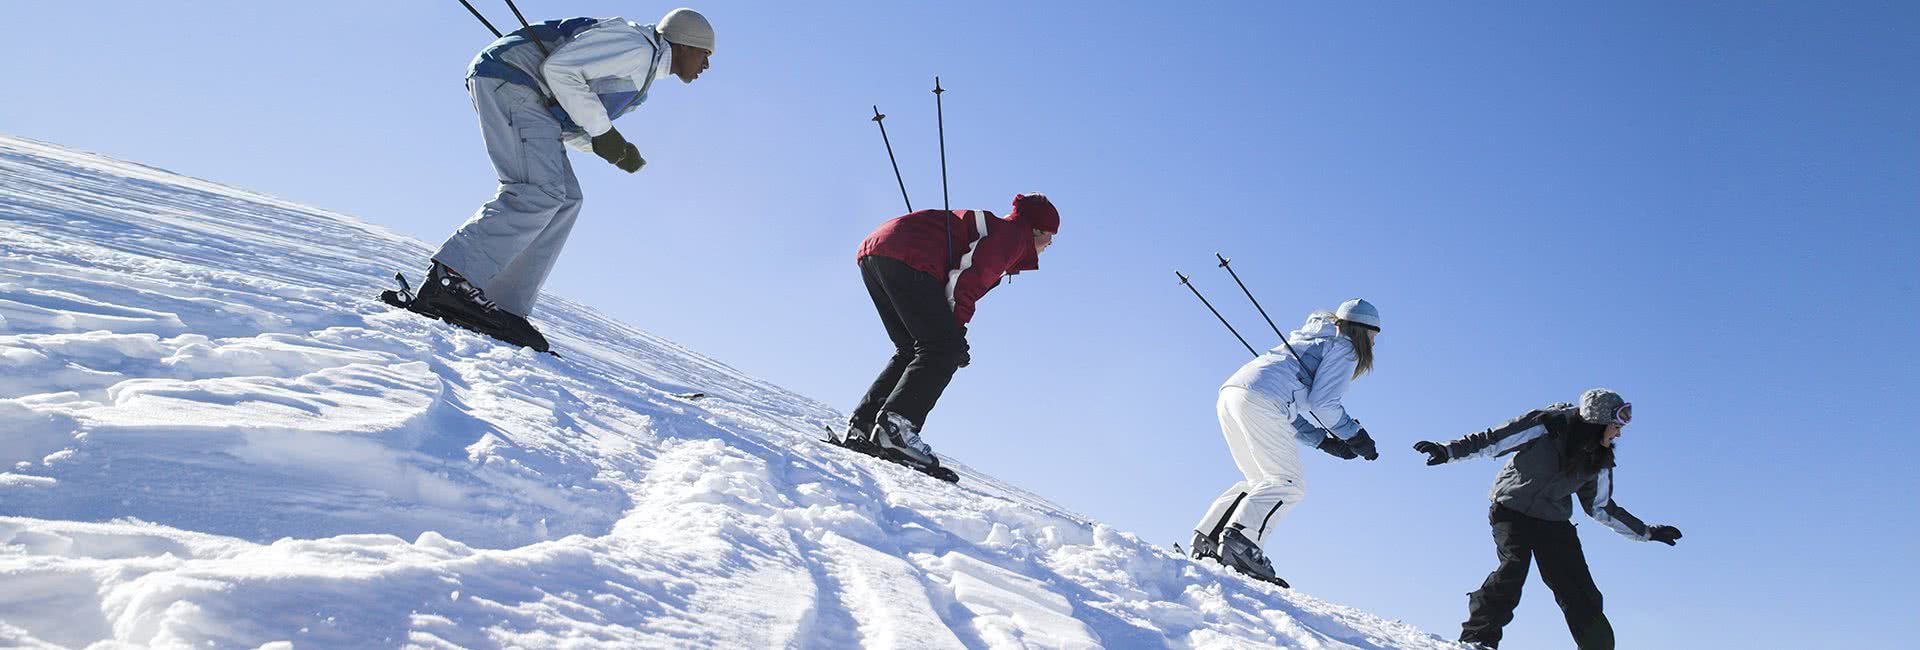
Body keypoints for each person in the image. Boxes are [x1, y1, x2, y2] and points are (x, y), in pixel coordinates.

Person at [397, 9, 716, 352]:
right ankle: (452, 278)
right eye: (705, 54)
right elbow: (560, 70)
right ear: (685, 44)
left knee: (566, 199)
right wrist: (604, 134)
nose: (706, 65)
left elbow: (573, 113)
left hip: (526, 95)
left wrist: (612, 149)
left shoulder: (643, 71)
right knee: (538, 190)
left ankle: (498, 301)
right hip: (512, 80)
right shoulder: (637, 47)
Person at [1412, 388, 1683, 650]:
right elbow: (1492, 440)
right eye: (1616, 424)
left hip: (1553, 521)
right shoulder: (1547, 425)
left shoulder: (1599, 457)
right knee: (1513, 569)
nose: (1619, 433)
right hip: (1511, 509)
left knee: (1578, 587)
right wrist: (1448, 451)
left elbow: (1600, 507)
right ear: (1597, 421)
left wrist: (1646, 532)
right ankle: (1479, 639)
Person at [842, 193, 1061, 473]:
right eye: (1051, 235)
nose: (1051, 243)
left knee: (912, 348)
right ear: (1037, 229)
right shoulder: (1014, 237)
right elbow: (967, 278)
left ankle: (864, 425)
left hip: (879, 252)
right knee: (942, 348)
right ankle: (896, 428)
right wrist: (955, 331)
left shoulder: (1000, 230)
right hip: (905, 256)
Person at [1188, 300, 1383, 586]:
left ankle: (1209, 539)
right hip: (1260, 400)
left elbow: (1284, 407)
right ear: (1363, 330)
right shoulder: (1345, 348)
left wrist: (1323, 442)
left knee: (1260, 481)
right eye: (1375, 335)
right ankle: (1241, 544)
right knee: (1288, 483)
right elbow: (1324, 403)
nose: (1375, 342)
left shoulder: (1313, 340)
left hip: (1232, 394)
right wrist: (1355, 436)